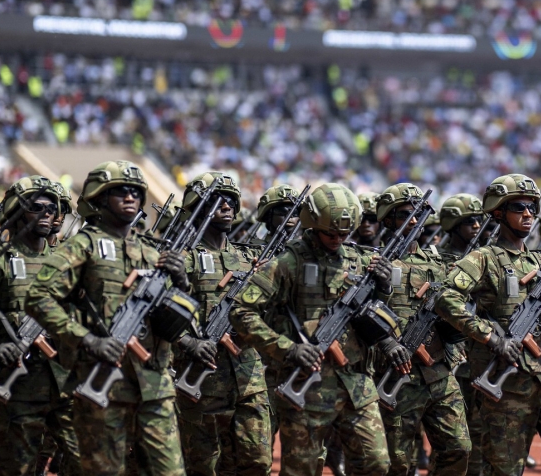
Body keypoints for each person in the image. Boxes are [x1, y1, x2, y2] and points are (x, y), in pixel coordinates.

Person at [25, 160, 189, 475]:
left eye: (135, 192)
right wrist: (86, 340)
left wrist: (181, 283)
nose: (130, 197)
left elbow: (177, 320)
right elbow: (38, 298)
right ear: (100, 198)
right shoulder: (82, 247)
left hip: (154, 386)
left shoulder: (153, 254)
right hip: (102, 386)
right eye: (119, 192)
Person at [229, 182, 395, 476]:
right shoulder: (288, 263)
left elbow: (373, 316)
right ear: (313, 224)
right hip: (305, 387)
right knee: (301, 470)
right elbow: (241, 312)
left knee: (376, 465)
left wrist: (383, 290)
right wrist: (288, 348)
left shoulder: (359, 260)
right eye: (331, 233)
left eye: (344, 234)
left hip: (355, 384)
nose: (338, 239)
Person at [435, 173, 541, 475]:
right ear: (498, 212)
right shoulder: (483, 258)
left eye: (533, 208)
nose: (528, 215)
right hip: (507, 382)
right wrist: (489, 337)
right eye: (519, 207)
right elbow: (445, 297)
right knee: (505, 469)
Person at [0, 176, 82, 475]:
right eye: (37, 207)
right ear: (17, 212)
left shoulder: (66, 261)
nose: (48, 213)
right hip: (16, 388)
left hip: (63, 383)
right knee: (13, 468)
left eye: (53, 208)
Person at [175, 172, 273, 476]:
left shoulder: (249, 258)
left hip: (248, 378)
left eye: (232, 200)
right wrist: (187, 341)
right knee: (203, 465)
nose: (227, 206)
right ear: (198, 206)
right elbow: (159, 312)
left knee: (257, 461)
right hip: (202, 379)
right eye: (218, 200)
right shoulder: (183, 258)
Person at [373, 183, 470, 475]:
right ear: (388, 219)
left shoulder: (438, 264)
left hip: (438, 370)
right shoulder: (374, 262)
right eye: (406, 214)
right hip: (396, 373)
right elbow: (358, 313)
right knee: (397, 461)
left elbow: (457, 308)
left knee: (458, 449)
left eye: (419, 214)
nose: (415, 221)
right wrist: (388, 343)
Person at [437, 192, 487, 476]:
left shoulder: (485, 259)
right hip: (451, 356)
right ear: (453, 224)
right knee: (453, 439)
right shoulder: (439, 262)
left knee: (478, 432)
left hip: (480, 354)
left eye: (479, 221)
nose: (477, 227)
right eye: (470, 222)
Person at [253, 184, 304, 250]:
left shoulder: (308, 250)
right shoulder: (253, 250)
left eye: (295, 213)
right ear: (268, 216)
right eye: (282, 211)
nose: (290, 216)